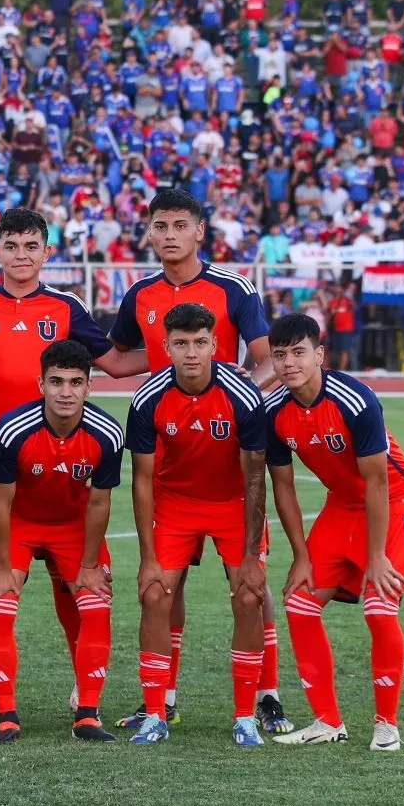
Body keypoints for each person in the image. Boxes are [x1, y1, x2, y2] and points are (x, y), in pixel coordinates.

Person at [0, 207, 147, 724]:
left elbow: (115, 364)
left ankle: (85, 690)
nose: (21, 256)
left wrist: (185, 357)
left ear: (47, 253)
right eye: (11, 246)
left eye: (31, 246)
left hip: (63, 470)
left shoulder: (65, 305)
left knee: (72, 585)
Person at [108, 188, 293, 735]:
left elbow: (265, 361)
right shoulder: (139, 294)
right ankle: (161, 700)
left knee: (250, 585)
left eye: (179, 225)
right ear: (148, 232)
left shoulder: (233, 288)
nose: (169, 235)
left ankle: (267, 695)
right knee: (166, 586)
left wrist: (234, 401)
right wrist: (33, 363)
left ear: (199, 231)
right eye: (159, 225)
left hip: (229, 449)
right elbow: (120, 359)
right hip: (171, 458)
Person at [266, 314, 404, 751]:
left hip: (397, 502)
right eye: (279, 355)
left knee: (379, 607)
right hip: (342, 506)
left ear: (318, 355)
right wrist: (301, 556)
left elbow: (378, 482)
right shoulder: (275, 412)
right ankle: (327, 721)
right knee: (299, 604)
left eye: (298, 352)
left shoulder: (355, 399)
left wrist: (377, 557)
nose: (288, 363)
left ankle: (386, 725)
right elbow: (282, 486)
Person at [125, 303, 268, 747]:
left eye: (200, 343)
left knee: (249, 595)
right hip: (176, 504)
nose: (191, 353)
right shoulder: (147, 399)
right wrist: (148, 558)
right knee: (153, 594)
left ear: (216, 345)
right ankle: (155, 714)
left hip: (232, 503)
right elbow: (142, 481)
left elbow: (256, 476)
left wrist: (249, 555)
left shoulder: (243, 396)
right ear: (166, 346)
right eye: (181, 344)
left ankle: (245, 716)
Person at [0, 340, 125, 744]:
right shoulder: (11, 429)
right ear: (40, 383)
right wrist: (4, 566)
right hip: (20, 524)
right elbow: (0, 502)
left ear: (88, 387)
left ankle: (87, 715)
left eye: (75, 382)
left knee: (95, 606)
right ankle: (7, 714)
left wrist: (91, 564)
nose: (66, 391)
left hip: (73, 527)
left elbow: (99, 501)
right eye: (56, 381)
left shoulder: (108, 432)